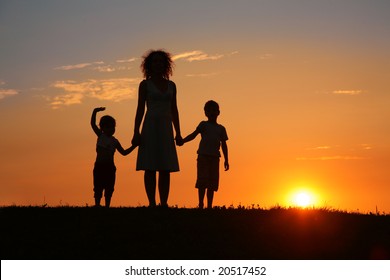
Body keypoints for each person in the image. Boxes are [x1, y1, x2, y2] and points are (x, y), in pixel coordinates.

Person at [131, 49, 182, 207]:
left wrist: (178, 132)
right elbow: (140, 108)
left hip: (166, 127)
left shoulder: (172, 85)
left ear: (165, 64)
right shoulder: (145, 85)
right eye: (155, 61)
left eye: (161, 61)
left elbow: (174, 109)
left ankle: (164, 202)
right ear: (149, 65)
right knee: (150, 166)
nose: (158, 64)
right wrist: (136, 131)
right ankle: (152, 202)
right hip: (150, 125)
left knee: (165, 167)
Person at [178, 100, 229, 209]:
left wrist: (226, 160)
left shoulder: (221, 128)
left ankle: (209, 205)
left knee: (212, 182)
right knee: (202, 180)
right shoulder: (203, 125)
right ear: (205, 113)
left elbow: (224, 144)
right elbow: (194, 135)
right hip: (203, 157)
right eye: (209, 111)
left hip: (215, 158)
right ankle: (201, 204)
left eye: (214, 110)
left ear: (218, 112)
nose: (212, 113)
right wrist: (183, 140)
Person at [91, 107, 136, 207]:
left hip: (110, 167)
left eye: (113, 127)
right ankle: (97, 205)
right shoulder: (100, 136)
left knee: (109, 187)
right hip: (99, 166)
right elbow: (93, 124)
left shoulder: (115, 141)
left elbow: (124, 152)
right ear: (102, 128)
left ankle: (107, 205)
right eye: (108, 127)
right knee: (98, 186)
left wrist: (134, 146)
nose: (111, 129)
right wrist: (95, 111)